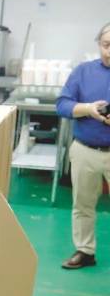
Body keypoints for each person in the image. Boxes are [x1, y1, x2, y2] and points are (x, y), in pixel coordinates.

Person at [57, 22, 110, 269]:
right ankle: (85, 251)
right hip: (85, 149)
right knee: (83, 204)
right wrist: (88, 109)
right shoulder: (83, 72)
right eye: (106, 45)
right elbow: (63, 105)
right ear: (99, 44)